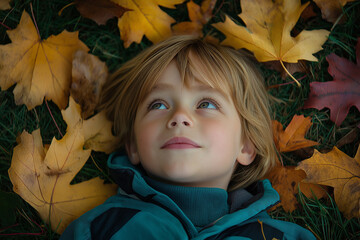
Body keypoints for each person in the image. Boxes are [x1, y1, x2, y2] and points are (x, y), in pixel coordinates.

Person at [61, 35, 315, 239]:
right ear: (133, 146)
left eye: (206, 103)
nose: (180, 116)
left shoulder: (280, 237)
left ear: (247, 146)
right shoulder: (100, 228)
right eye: (158, 105)